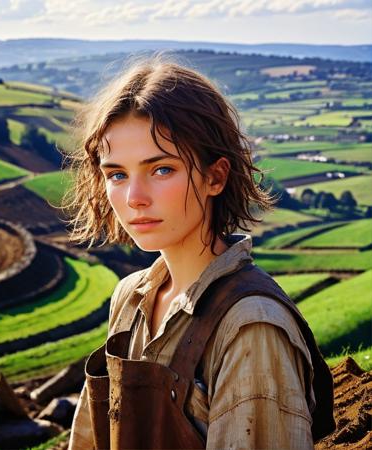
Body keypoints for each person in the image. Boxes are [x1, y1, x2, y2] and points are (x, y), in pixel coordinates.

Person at [63, 54, 335, 450]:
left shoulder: (250, 327)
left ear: (215, 176)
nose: (134, 198)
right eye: (117, 174)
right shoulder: (129, 297)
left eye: (161, 170)